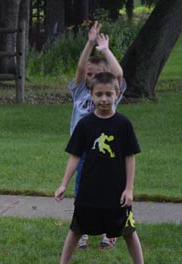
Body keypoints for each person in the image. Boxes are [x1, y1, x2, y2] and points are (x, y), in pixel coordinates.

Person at [48, 72, 154, 264]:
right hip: (89, 190)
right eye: (99, 94)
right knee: (76, 230)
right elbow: (75, 156)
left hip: (116, 192)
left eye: (108, 94)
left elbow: (129, 157)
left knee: (129, 231)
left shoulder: (123, 124)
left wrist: (129, 189)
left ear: (117, 94)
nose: (104, 99)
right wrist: (63, 184)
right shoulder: (85, 125)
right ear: (91, 95)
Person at [70, 21, 126, 250]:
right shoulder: (80, 91)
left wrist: (104, 50)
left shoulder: (108, 94)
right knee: (81, 191)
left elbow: (118, 73)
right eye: (89, 75)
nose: (90, 77)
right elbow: (81, 68)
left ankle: (109, 232)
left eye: (96, 75)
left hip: (106, 151)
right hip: (82, 151)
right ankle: (81, 230)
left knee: (107, 190)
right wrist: (90, 43)